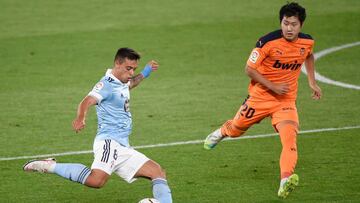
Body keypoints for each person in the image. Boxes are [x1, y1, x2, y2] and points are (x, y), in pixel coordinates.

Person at [203, 2, 321, 199]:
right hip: (260, 98)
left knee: (290, 139)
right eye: (285, 23)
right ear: (281, 22)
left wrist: (312, 82)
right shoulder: (266, 42)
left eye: (293, 24)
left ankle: (285, 181)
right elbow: (249, 69)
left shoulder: (307, 42)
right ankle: (222, 131)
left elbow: (309, 56)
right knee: (236, 130)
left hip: (286, 102)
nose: (289, 28)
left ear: (301, 26)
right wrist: (273, 86)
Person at [23, 48, 173, 203]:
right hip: (109, 142)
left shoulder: (121, 81)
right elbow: (86, 101)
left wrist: (146, 71)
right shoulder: (105, 85)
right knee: (96, 181)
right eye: (128, 69)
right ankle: (49, 166)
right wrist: (81, 118)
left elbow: (131, 83)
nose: (130, 73)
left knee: (157, 172)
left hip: (123, 145)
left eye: (133, 69)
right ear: (117, 63)